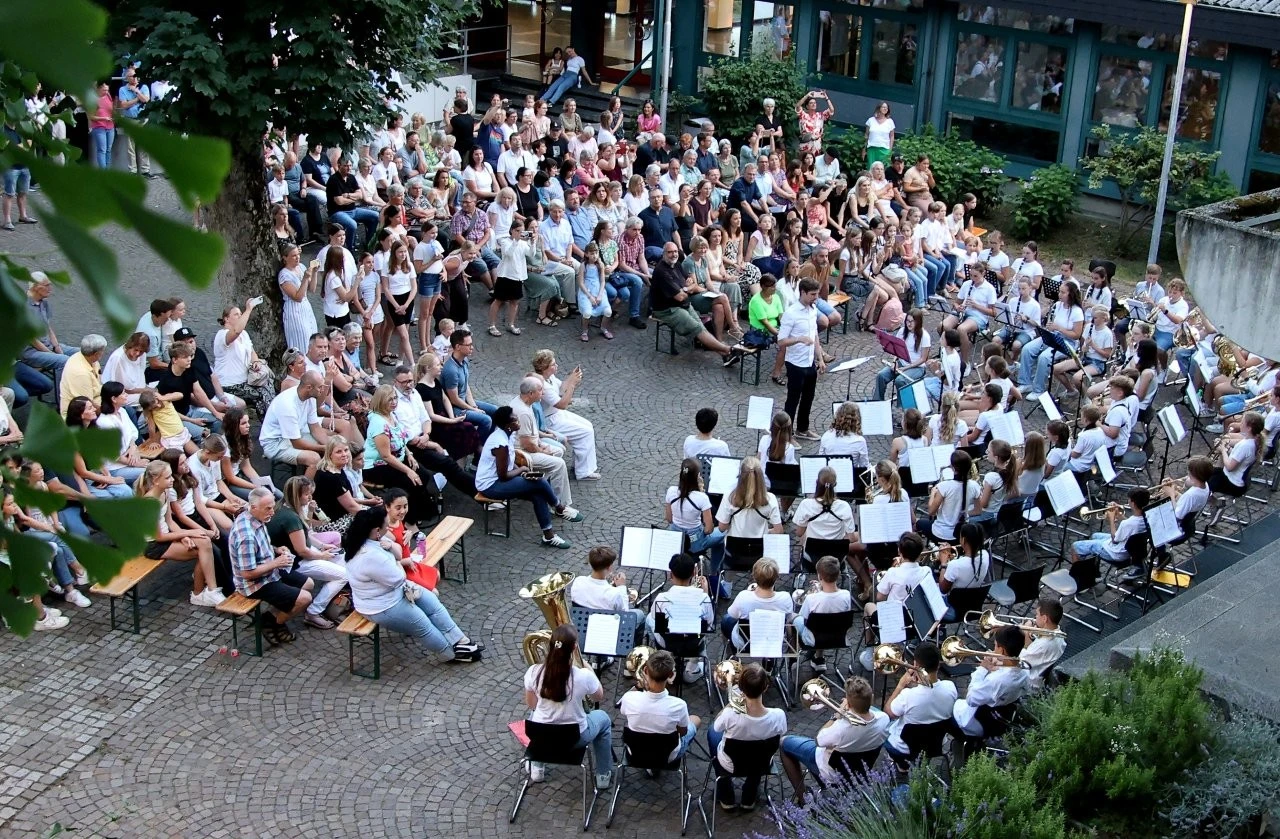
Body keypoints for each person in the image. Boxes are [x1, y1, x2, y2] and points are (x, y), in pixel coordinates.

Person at [345, 505, 481, 662]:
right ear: (376, 530)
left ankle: (461, 641)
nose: (388, 528)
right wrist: (397, 562)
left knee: (433, 603)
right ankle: (450, 654)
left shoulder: (370, 539)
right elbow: (400, 577)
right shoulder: (371, 556)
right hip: (381, 606)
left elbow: (398, 553)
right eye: (386, 525)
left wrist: (393, 551)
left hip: (395, 591)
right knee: (423, 625)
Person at [475, 406, 582, 548]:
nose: (518, 421)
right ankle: (559, 507)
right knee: (539, 482)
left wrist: (523, 472)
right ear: (507, 425)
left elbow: (509, 463)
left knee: (538, 494)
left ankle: (548, 536)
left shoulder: (508, 434)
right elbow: (503, 476)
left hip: (499, 480)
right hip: (491, 486)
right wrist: (522, 469)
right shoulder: (500, 444)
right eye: (515, 420)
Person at [522, 623, 612, 788]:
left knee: (534, 717)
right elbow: (598, 696)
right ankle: (603, 775)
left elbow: (532, 704)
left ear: (550, 645)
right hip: (575, 738)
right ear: (574, 647)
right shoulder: (583, 676)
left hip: (541, 737)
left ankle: (537, 767)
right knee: (604, 719)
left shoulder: (533, 671)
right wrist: (589, 670)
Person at [781, 675, 888, 802]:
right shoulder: (884, 719)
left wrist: (836, 715)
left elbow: (818, 740)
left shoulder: (841, 728)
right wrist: (852, 708)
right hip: (860, 770)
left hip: (830, 771)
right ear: (872, 698)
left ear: (848, 703)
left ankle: (803, 798)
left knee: (784, 743)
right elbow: (871, 711)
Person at [134, 460, 225, 606]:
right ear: (156, 480)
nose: (172, 479)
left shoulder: (164, 492)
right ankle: (201, 593)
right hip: (154, 545)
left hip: (167, 537)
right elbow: (159, 537)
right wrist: (186, 533)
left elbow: (170, 522)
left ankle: (209, 591)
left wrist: (185, 536)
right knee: (203, 549)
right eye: (167, 477)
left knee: (204, 541)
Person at [267, 476, 351, 630]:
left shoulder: (286, 507)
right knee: (344, 575)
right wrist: (322, 556)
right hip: (294, 564)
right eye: (307, 494)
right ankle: (313, 612)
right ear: (296, 495)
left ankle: (332, 600)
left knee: (341, 560)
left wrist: (322, 546)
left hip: (297, 557)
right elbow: (302, 551)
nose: (310, 497)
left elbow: (305, 535)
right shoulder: (291, 517)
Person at [708, 662, 788, 811]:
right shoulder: (779, 715)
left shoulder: (730, 714)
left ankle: (726, 795)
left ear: (741, 687)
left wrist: (731, 704)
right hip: (762, 764)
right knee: (760, 750)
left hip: (730, 764)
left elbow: (717, 727)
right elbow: (782, 732)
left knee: (711, 732)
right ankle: (749, 796)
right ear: (765, 687)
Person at [649, 242, 743, 366]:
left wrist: (686, 288)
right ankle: (728, 350)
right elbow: (680, 296)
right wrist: (688, 288)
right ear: (664, 254)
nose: (673, 254)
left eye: (675, 251)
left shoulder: (677, 265)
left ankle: (725, 355)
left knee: (701, 328)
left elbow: (692, 284)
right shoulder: (662, 271)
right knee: (697, 329)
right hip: (667, 309)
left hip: (683, 304)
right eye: (670, 252)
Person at [881, 642, 958, 764]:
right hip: (935, 745)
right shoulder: (950, 687)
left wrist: (900, 685)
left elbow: (888, 712)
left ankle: (902, 765)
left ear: (915, 664)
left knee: (882, 722)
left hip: (904, 748)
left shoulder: (907, 695)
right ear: (938, 664)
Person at [530, 349, 601, 481]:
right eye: (553, 364)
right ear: (545, 368)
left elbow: (562, 387)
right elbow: (562, 404)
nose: (556, 366)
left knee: (588, 425)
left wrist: (572, 378)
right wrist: (572, 385)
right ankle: (583, 471)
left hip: (556, 414)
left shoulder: (550, 378)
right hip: (550, 420)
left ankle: (579, 464)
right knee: (585, 432)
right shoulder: (543, 385)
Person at [952, 625, 1030, 739]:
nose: (994, 649)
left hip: (981, 720)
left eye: (995, 645)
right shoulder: (1025, 668)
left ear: (1002, 650)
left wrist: (982, 669)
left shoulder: (996, 680)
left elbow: (971, 699)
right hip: (1004, 711)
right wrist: (999, 665)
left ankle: (962, 740)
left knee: (950, 708)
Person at [509, 376, 573, 508]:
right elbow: (527, 444)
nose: (543, 393)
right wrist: (543, 452)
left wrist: (541, 445)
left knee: (558, 451)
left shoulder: (525, 403)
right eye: (540, 390)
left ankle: (540, 487)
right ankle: (560, 505)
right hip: (522, 454)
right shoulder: (523, 412)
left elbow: (532, 434)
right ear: (530, 393)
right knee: (559, 464)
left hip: (528, 448)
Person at [259, 371, 330, 477]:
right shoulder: (288, 405)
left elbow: (315, 428)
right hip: (275, 444)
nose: (322, 390)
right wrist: (324, 448)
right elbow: (297, 444)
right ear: (309, 387)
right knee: (314, 459)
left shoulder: (310, 397)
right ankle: (304, 487)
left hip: (295, 436)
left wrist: (331, 445)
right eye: (320, 387)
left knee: (333, 441)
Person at [779, 277, 824, 439]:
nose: (815, 298)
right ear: (803, 292)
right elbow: (781, 341)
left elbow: (815, 335)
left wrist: (820, 358)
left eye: (817, 294)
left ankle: (802, 429)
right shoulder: (791, 313)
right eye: (812, 294)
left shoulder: (813, 309)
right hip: (795, 363)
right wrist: (799, 339)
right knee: (793, 400)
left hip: (809, 362)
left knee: (808, 398)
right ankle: (787, 434)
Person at [1070, 488, 1151, 566]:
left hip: (1117, 553)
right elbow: (1131, 525)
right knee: (1095, 535)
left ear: (1133, 504)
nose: (1128, 501)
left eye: (1129, 499)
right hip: (1129, 548)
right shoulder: (1146, 517)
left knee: (1075, 546)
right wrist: (1119, 515)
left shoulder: (1127, 524)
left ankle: (1078, 572)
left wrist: (1111, 519)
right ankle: (1093, 565)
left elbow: (1114, 540)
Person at [442, 328, 499, 438]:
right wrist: (473, 409)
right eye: (468, 345)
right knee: (486, 420)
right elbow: (454, 399)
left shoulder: (464, 360)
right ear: (458, 347)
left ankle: (487, 441)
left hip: (464, 402)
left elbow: (466, 385)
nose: (472, 347)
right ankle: (477, 444)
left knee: (496, 411)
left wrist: (473, 404)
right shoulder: (451, 370)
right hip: (456, 408)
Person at [1019, 598, 1066, 690]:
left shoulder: (1042, 645)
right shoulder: (1059, 635)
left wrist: (1025, 636)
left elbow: (1017, 661)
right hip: (1039, 668)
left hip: (1030, 682)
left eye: (1037, 614)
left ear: (1044, 618)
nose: (1035, 617)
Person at [820, 402, 870, 467]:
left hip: (830, 473)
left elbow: (821, 460)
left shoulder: (826, 436)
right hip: (851, 473)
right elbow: (864, 466)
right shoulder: (860, 441)